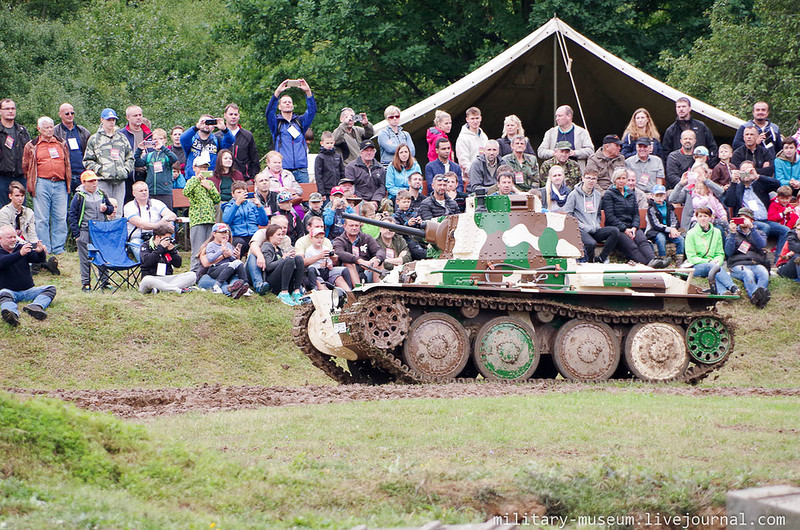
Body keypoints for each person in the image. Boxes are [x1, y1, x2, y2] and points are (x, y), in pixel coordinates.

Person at [22, 116, 70, 259]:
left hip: (60, 183)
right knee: (42, 218)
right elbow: (25, 165)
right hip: (42, 183)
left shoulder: (61, 143)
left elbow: (67, 163)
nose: (50, 130)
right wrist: (31, 182)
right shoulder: (32, 145)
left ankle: (58, 247)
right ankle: (45, 247)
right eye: (46, 127)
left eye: (51, 127)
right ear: (39, 129)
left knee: (60, 216)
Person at [724, 160, 788, 264]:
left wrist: (757, 176)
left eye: (749, 171)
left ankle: (778, 262)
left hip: (765, 220)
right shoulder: (737, 186)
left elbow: (777, 185)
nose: (746, 174)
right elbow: (729, 202)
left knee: (785, 230)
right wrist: (733, 182)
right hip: (746, 222)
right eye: (743, 171)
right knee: (764, 227)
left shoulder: (759, 184)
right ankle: (759, 254)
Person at [68, 170, 115, 291]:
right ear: (83, 183)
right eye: (90, 181)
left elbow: (110, 209)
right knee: (85, 259)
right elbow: (72, 215)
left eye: (95, 181)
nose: (94, 183)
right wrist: (76, 234)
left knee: (103, 256)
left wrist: (106, 209)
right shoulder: (79, 196)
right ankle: (86, 283)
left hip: (100, 230)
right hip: (85, 230)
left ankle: (104, 282)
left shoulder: (101, 193)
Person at [0, 225, 55, 326]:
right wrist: (20, 254)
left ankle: (35, 306)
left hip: (28, 290)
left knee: (50, 288)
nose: (13, 240)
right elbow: (3, 262)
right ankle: (11, 315)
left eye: (14, 237)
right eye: (9, 237)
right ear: (1, 238)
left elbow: (39, 260)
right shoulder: (19, 251)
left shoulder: (20, 248)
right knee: (3, 295)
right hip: (7, 291)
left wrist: (40, 252)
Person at [82, 108, 133, 217]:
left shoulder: (122, 137)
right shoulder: (94, 139)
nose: (111, 122)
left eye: (113, 120)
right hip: (103, 181)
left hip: (119, 181)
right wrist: (100, 170)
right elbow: (87, 160)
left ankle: (117, 233)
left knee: (118, 212)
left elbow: (130, 157)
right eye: (109, 119)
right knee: (104, 210)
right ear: (102, 120)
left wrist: (125, 170)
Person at [601, 168, 657, 266]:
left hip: (632, 226)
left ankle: (654, 261)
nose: (621, 181)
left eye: (623, 178)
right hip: (618, 229)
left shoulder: (631, 194)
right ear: (614, 180)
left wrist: (634, 227)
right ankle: (646, 265)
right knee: (632, 246)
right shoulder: (609, 194)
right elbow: (610, 217)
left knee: (643, 241)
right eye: (619, 178)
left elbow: (636, 214)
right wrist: (625, 229)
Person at [265, 78, 316, 183]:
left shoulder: (300, 122)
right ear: (279, 106)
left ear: (293, 106)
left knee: (304, 197)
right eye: (284, 102)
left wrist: (308, 92)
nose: (287, 103)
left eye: (289, 102)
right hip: (284, 169)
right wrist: (277, 92)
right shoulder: (276, 123)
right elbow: (269, 112)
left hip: (301, 169)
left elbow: (312, 111)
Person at [564, 171, 619, 263]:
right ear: (583, 179)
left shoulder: (597, 195)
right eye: (588, 178)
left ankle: (601, 258)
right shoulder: (573, 195)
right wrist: (583, 226)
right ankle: (587, 263)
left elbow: (598, 214)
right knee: (591, 243)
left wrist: (597, 224)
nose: (591, 181)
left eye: (593, 179)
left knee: (614, 231)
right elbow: (569, 215)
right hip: (580, 229)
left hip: (594, 228)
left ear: (596, 181)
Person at [685, 207, 738, 295]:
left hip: (714, 264)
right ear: (697, 218)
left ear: (710, 218)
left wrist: (718, 261)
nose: (702, 219)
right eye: (700, 216)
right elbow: (691, 257)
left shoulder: (716, 232)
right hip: (697, 265)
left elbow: (720, 253)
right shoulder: (691, 233)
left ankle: (723, 292)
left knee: (714, 271)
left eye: (705, 216)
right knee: (713, 267)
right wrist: (709, 261)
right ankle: (732, 286)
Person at [182, 154, 220, 272]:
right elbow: (186, 192)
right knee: (197, 248)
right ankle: (194, 272)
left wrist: (210, 187)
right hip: (197, 220)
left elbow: (217, 199)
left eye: (205, 168)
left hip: (210, 219)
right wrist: (196, 180)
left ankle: (205, 271)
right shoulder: (191, 181)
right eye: (201, 167)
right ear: (194, 168)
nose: (203, 170)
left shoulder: (210, 183)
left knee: (208, 247)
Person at [725, 207, 771, 307]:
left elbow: (761, 245)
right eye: (740, 218)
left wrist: (752, 229)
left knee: (764, 273)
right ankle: (755, 297)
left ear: (752, 220)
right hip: (738, 264)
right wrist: (732, 233)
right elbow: (728, 252)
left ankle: (758, 298)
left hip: (755, 262)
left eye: (746, 218)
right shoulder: (733, 234)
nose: (743, 220)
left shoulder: (759, 233)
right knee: (748, 274)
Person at [251, 223, 305, 304]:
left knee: (299, 259)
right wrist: (283, 258)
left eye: (282, 235)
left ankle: (296, 291)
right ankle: (284, 293)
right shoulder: (266, 246)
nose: (281, 237)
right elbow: (268, 266)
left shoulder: (279, 249)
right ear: (270, 236)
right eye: (278, 235)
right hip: (271, 280)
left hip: (282, 279)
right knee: (288, 260)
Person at [123, 181, 177, 259]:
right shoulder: (129, 206)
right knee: (143, 256)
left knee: (170, 222)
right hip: (138, 238)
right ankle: (151, 264)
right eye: (141, 191)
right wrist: (160, 224)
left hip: (156, 236)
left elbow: (172, 215)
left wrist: (165, 219)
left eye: (146, 190)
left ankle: (166, 261)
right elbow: (141, 224)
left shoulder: (156, 203)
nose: (144, 193)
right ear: (134, 193)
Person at [138, 224, 197, 294]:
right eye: (166, 238)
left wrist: (172, 251)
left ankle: (161, 290)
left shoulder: (168, 247)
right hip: (151, 279)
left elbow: (178, 264)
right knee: (147, 280)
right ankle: (178, 290)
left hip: (166, 278)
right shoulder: (145, 246)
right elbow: (146, 262)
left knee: (192, 275)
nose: (169, 241)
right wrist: (160, 248)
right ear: (157, 237)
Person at [661, 97, 718, 165]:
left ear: (690, 108)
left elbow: (712, 147)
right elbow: (665, 153)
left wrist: (710, 166)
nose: (681, 109)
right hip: (679, 169)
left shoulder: (701, 126)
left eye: (684, 106)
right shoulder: (671, 130)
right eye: (678, 107)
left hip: (700, 167)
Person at [537, 105, 594, 171]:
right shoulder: (550, 133)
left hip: (576, 174)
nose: (557, 119)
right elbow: (540, 152)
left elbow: (591, 151)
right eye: (556, 116)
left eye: (560, 116)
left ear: (569, 116)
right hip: (555, 174)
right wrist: (554, 153)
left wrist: (575, 153)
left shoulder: (582, 132)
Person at [202, 222, 249, 299]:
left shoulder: (229, 245)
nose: (225, 235)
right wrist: (221, 251)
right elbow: (210, 259)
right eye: (221, 232)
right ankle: (216, 286)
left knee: (239, 262)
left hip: (228, 268)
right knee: (233, 264)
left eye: (226, 233)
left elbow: (232, 260)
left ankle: (245, 285)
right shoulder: (211, 245)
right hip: (215, 269)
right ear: (214, 234)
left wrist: (236, 255)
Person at [133, 128, 179, 208]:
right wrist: (139, 149)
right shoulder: (149, 155)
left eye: (160, 139)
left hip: (165, 191)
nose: (157, 141)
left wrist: (163, 148)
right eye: (155, 139)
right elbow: (137, 163)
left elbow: (174, 159)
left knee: (167, 215)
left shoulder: (167, 154)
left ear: (165, 140)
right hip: (150, 191)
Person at [180, 114, 234, 180]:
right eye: (204, 122)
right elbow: (183, 138)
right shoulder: (192, 139)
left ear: (213, 128)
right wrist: (196, 128)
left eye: (209, 123)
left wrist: (224, 129)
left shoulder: (217, 140)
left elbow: (230, 141)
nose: (206, 125)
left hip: (212, 178)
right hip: (193, 177)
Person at [333, 218, 385, 284]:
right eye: (351, 225)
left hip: (367, 270)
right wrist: (358, 261)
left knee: (379, 261)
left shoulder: (367, 238)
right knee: (349, 264)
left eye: (356, 225)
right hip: (349, 273)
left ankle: (378, 289)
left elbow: (380, 250)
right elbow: (339, 252)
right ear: (344, 226)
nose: (354, 228)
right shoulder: (339, 240)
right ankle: (358, 291)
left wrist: (377, 260)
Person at [54, 103, 90, 195]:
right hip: (64, 176)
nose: (70, 115)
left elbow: (89, 152)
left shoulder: (83, 131)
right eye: (67, 113)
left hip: (82, 175)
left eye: (72, 113)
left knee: (83, 205)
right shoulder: (55, 132)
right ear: (60, 114)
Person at [0, 99, 31, 207]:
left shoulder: (22, 131)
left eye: (13, 108)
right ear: (0, 111)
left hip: (20, 176)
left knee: (21, 209)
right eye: (7, 108)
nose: (10, 111)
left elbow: (30, 153)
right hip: (2, 177)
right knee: (3, 211)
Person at [302, 226, 351, 291]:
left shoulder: (326, 248)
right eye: (317, 238)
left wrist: (330, 265)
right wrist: (319, 262)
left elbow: (329, 261)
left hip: (326, 270)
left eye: (321, 238)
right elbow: (308, 266)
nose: (319, 240)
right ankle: (314, 289)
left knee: (344, 269)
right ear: (311, 238)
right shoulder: (309, 250)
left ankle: (350, 290)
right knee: (311, 269)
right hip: (317, 272)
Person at [219, 103, 260, 180]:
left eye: (235, 114)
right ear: (225, 116)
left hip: (243, 179)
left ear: (239, 116)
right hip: (223, 179)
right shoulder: (218, 136)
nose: (233, 117)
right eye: (230, 114)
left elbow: (254, 160)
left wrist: (252, 178)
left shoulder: (247, 136)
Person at [645, 185, 684, 266]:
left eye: (661, 195)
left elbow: (674, 219)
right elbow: (655, 224)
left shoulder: (669, 206)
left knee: (680, 239)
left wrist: (673, 229)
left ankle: (679, 260)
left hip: (669, 230)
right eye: (657, 195)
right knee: (661, 239)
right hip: (656, 231)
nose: (659, 198)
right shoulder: (651, 209)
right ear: (652, 196)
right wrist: (669, 229)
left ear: (665, 196)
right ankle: (663, 259)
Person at [257, 150, 303, 215]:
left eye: (279, 162)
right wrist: (277, 191)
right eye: (275, 163)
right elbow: (259, 192)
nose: (277, 165)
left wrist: (292, 190)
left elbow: (300, 190)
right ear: (268, 163)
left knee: (298, 209)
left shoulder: (288, 174)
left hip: (291, 202)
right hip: (274, 203)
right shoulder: (263, 176)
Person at [344, 140, 386, 207]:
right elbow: (351, 187)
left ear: (374, 152)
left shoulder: (380, 168)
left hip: (376, 201)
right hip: (357, 200)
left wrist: (375, 201)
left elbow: (382, 187)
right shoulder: (351, 167)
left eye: (371, 150)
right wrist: (363, 202)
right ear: (361, 152)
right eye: (366, 150)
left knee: (387, 203)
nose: (369, 153)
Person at [0, 182, 38, 247]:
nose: (20, 199)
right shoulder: (4, 212)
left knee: (40, 250)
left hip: (26, 243)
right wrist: (25, 245)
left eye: (22, 196)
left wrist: (36, 245)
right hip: (9, 244)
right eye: (17, 196)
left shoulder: (29, 212)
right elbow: (7, 235)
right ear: (10, 196)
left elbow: (32, 234)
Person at [393, 189, 427, 260]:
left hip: (418, 237)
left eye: (408, 202)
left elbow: (420, 226)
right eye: (404, 202)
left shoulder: (413, 213)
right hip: (406, 239)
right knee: (419, 252)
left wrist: (419, 222)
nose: (406, 204)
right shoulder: (396, 216)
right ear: (397, 202)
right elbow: (398, 230)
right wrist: (407, 224)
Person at [455, 107, 488, 177]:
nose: (475, 121)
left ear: (480, 118)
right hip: (470, 177)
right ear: (467, 120)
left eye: (477, 118)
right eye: (472, 119)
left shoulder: (484, 136)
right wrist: (474, 173)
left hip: (485, 175)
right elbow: (463, 160)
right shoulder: (463, 138)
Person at [315, 131, 344, 200]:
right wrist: (322, 193)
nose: (329, 145)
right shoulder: (320, 157)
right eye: (327, 143)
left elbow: (342, 172)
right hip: (326, 191)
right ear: (322, 143)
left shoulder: (338, 156)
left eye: (331, 143)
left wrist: (343, 187)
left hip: (338, 189)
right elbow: (318, 176)